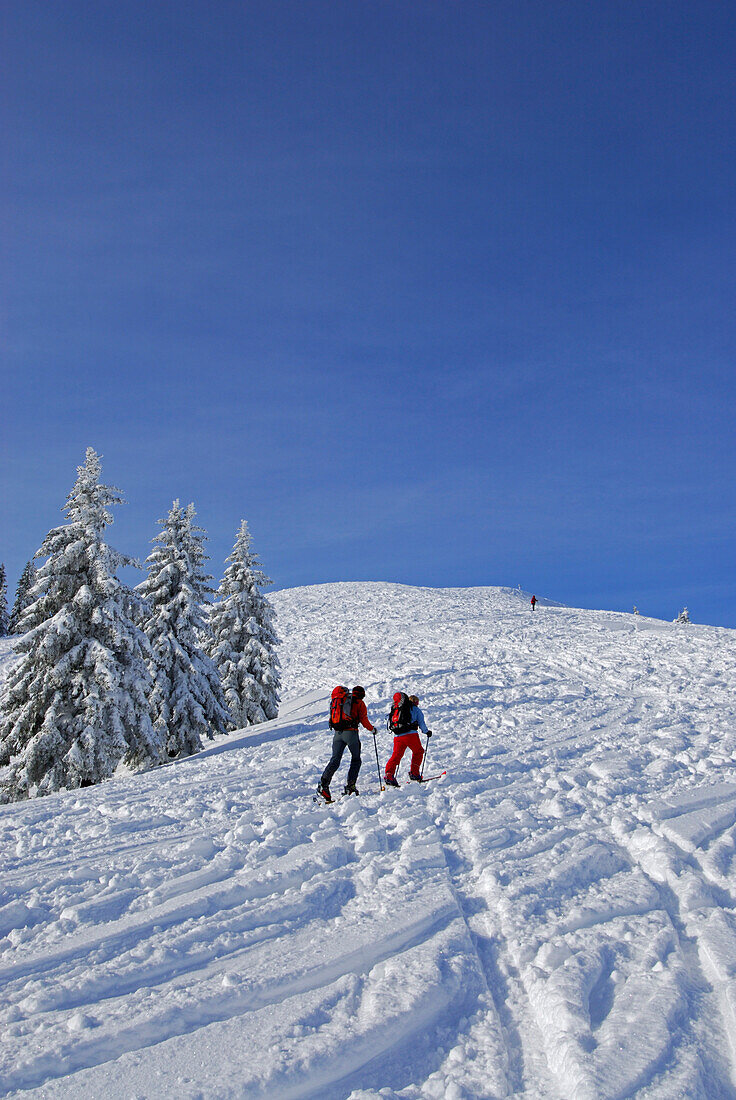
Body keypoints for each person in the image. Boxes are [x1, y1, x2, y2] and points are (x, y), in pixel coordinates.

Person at [317, 685, 377, 801]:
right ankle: (351, 787)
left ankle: (323, 785)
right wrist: (372, 730)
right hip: (351, 734)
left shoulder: (339, 701)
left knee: (335, 760)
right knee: (356, 759)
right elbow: (364, 720)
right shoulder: (359, 702)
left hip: (337, 734)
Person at [384, 693, 432, 786]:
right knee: (418, 751)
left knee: (396, 755)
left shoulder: (397, 709)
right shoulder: (415, 709)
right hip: (411, 735)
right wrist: (426, 732)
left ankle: (389, 775)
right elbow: (421, 722)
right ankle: (414, 773)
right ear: (416, 702)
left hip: (397, 736)